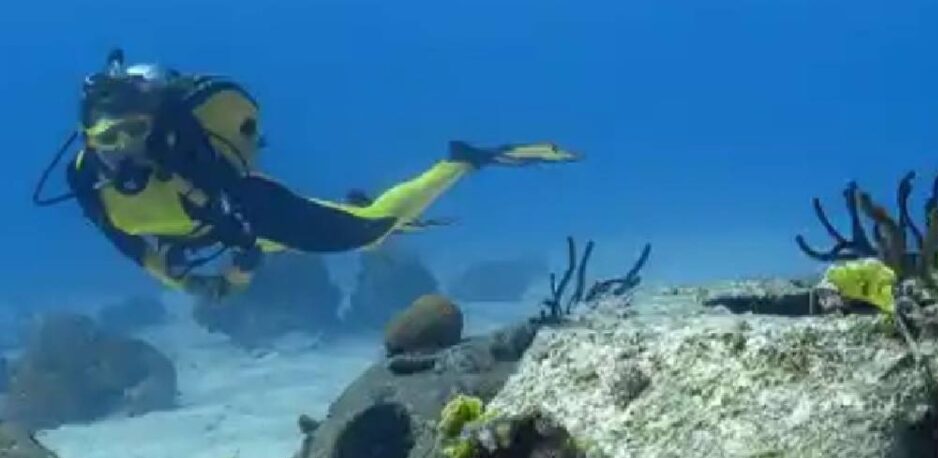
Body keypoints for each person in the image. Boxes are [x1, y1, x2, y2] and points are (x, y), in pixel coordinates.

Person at [34, 49, 579, 300]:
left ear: (155, 123)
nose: (125, 149)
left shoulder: (189, 153)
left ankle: (463, 159)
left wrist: (235, 273)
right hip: (205, 240)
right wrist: (186, 281)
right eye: (108, 138)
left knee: (369, 232)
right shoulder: (85, 180)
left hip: (248, 219)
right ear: (87, 140)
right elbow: (130, 248)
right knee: (349, 228)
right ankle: (361, 204)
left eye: (135, 130)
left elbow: (242, 228)